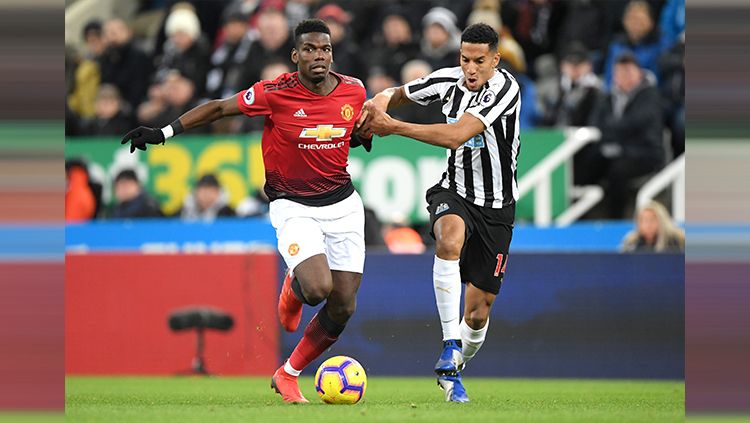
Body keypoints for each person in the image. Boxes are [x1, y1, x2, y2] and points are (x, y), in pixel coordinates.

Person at [120, 19, 372, 404]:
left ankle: (288, 374)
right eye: (309, 49)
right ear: (295, 55)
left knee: (344, 303)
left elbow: (354, 124)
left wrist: (362, 133)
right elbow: (220, 109)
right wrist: (163, 132)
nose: (318, 56)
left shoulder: (353, 90)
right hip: (293, 205)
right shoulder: (275, 93)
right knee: (319, 288)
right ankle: (295, 285)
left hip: (343, 204)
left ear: (331, 53)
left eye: (324, 49)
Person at [359, 23, 520, 403]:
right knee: (448, 238)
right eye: (465, 59)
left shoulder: (505, 89)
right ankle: (449, 345)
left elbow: (455, 135)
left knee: (478, 314)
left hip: (497, 207)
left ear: (495, 60)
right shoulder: (447, 81)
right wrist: (377, 103)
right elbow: (397, 93)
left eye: (480, 61)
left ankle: (454, 367)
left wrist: (392, 127)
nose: (471, 69)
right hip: (456, 191)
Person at [582, 52, 665, 218]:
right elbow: (595, 124)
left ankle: (616, 218)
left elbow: (637, 122)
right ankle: (582, 217)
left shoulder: (650, 95)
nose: (623, 76)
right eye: (619, 72)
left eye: (628, 71)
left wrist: (612, 131)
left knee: (617, 170)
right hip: (614, 150)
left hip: (644, 152)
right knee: (586, 163)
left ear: (639, 72)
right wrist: (614, 133)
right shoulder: (608, 98)